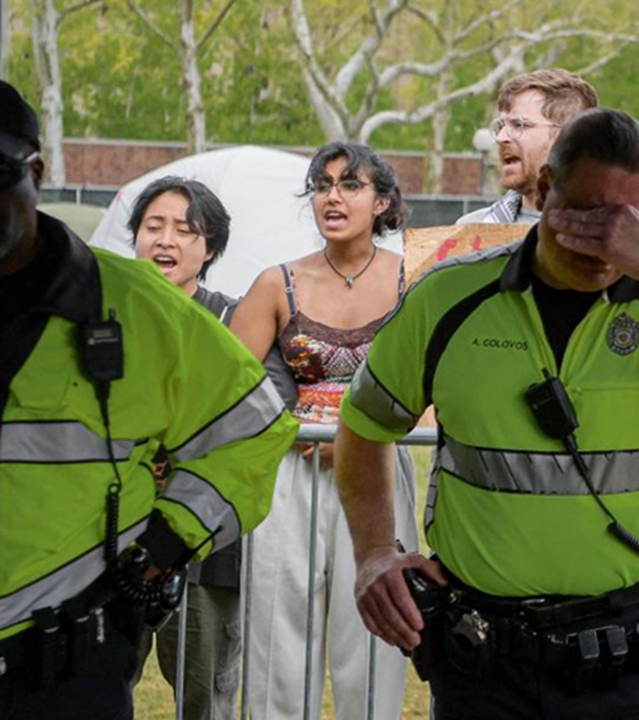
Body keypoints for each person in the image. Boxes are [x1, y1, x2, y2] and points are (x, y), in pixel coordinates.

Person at [336, 108, 639, 719]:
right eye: (594, 212)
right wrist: (374, 554)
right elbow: (364, 424)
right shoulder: (449, 298)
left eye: (636, 220)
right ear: (545, 191)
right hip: (487, 661)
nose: (612, 239)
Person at [0, 81, 296, 720]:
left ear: (35, 173)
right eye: (153, 225)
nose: (166, 240)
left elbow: (256, 429)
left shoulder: (142, 310)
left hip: (64, 665)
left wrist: (162, 549)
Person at [230, 142, 419, 720]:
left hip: (385, 468)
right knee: (276, 629)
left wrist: (373, 432)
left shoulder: (417, 279)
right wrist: (293, 430)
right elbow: (230, 388)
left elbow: (439, 380)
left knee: (376, 626)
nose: (332, 196)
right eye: (322, 185)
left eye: (350, 184)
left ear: (381, 200)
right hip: (294, 471)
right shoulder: (275, 283)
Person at [126, 177, 245, 720]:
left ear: (211, 246)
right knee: (96, 685)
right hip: (112, 538)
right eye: (153, 227)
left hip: (204, 545)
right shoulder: (107, 317)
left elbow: (251, 415)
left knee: (203, 695)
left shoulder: (233, 322)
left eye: (184, 230)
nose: (165, 241)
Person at [456, 69, 598, 225]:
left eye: (519, 125)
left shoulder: (619, 235)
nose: (501, 138)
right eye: (501, 126)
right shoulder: (470, 232)